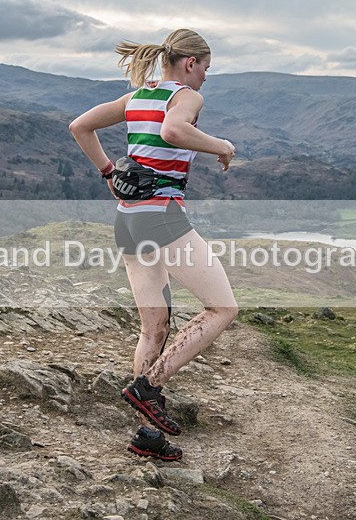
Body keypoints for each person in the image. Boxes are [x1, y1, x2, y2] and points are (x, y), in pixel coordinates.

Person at [69, 29, 238, 461]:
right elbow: (175, 130)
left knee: (154, 327)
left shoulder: (137, 97)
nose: (205, 79)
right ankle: (150, 384)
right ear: (189, 63)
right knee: (223, 308)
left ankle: (148, 433)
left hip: (128, 221)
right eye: (206, 69)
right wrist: (222, 146)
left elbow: (80, 126)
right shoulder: (185, 96)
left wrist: (109, 172)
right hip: (162, 217)